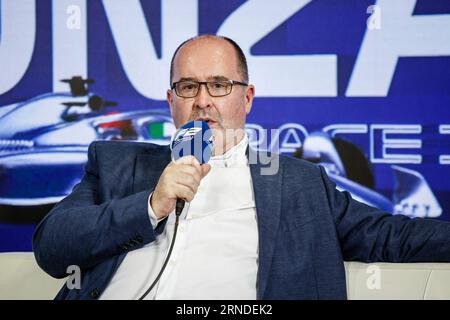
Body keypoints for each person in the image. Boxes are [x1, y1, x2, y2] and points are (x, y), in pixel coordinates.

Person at [33, 35, 450, 300]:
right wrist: (150, 206)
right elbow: (52, 248)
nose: (202, 100)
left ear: (246, 98)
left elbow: (393, 237)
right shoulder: (117, 164)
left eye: (219, 85)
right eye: (187, 87)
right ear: (171, 100)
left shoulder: (299, 183)